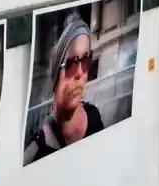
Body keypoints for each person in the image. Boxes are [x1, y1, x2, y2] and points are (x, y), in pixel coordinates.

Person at [24, 16, 105, 162]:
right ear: (55, 76)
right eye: (71, 64)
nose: (80, 73)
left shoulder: (93, 115)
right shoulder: (35, 153)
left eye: (85, 60)